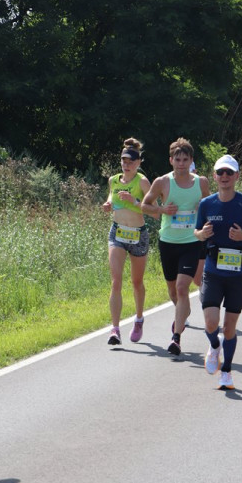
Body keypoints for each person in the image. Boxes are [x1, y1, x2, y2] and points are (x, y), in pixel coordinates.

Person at [194, 154, 242, 390]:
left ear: (237, 176)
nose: (224, 177)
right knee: (210, 323)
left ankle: (226, 372)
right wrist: (201, 235)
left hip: (237, 274)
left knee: (229, 328)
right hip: (213, 270)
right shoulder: (207, 204)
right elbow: (196, 231)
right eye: (220, 173)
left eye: (229, 173)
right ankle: (214, 347)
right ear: (215, 176)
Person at [142, 138, 209, 355]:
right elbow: (145, 205)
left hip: (192, 242)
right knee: (173, 291)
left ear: (191, 161)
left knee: (182, 287)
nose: (181, 164)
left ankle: (176, 337)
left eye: (185, 160)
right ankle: (183, 314)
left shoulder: (201, 182)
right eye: (177, 159)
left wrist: (203, 207)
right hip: (168, 242)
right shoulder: (162, 182)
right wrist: (162, 210)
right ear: (171, 160)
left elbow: (212, 205)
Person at [102, 138, 151, 346]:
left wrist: (135, 202)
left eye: (130, 161)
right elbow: (112, 199)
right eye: (124, 160)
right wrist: (108, 204)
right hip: (117, 232)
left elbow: (153, 210)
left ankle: (139, 319)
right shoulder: (113, 180)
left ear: (139, 162)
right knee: (116, 280)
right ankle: (115, 329)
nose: (126, 164)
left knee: (137, 282)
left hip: (137, 234)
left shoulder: (142, 182)